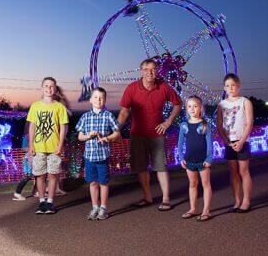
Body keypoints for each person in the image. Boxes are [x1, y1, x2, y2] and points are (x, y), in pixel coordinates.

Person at [117, 58, 182, 211]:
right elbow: (124, 111)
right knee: (141, 168)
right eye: (146, 69)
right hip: (137, 134)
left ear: (157, 71)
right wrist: (116, 128)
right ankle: (147, 197)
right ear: (141, 71)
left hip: (157, 134)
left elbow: (177, 104)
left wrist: (168, 122)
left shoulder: (164, 87)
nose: (149, 72)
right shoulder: (132, 88)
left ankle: (166, 199)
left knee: (161, 167)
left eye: (153, 69)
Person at [76, 87, 120, 220]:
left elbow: (117, 133)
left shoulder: (108, 115)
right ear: (90, 100)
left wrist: (107, 138)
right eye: (95, 97)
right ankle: (95, 207)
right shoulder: (85, 117)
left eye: (101, 98)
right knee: (93, 183)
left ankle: (103, 208)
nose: (98, 100)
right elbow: (80, 136)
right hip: (89, 156)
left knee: (103, 183)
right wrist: (88, 136)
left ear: (105, 100)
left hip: (103, 156)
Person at [28, 77, 69, 215]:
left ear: (55, 89)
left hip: (54, 148)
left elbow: (63, 127)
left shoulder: (59, 107)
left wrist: (60, 145)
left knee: (53, 175)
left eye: (51, 86)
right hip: (38, 147)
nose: (49, 88)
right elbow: (32, 126)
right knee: (39, 175)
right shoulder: (35, 106)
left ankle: (50, 202)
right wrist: (30, 145)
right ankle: (41, 202)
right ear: (42, 88)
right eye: (46, 86)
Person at [217, 73, 254, 213]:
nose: (230, 88)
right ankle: (237, 200)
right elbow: (219, 125)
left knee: (244, 171)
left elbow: (250, 123)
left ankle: (246, 201)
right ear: (224, 88)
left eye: (233, 85)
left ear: (239, 86)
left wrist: (242, 140)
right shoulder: (222, 104)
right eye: (227, 86)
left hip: (242, 140)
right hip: (229, 142)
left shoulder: (245, 102)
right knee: (233, 173)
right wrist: (226, 141)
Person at [177, 96, 213, 222]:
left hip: (203, 160)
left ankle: (206, 210)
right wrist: (181, 157)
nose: (192, 109)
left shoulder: (204, 125)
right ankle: (193, 209)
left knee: (206, 184)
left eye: (195, 106)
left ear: (201, 108)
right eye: (189, 106)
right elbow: (180, 143)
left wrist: (209, 158)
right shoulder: (183, 125)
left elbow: (210, 143)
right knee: (192, 185)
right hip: (189, 160)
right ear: (186, 109)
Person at [12, 122, 34, 201]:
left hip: (34, 158)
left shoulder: (34, 135)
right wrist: (32, 148)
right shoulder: (26, 137)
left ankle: (36, 191)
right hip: (29, 158)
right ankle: (17, 193)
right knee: (27, 176)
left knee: (38, 175)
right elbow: (24, 148)